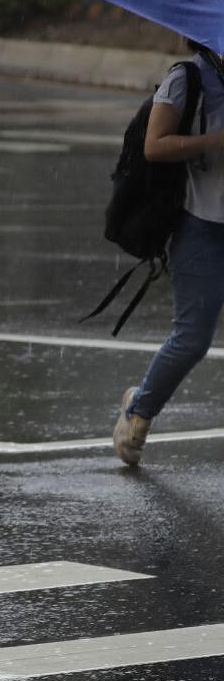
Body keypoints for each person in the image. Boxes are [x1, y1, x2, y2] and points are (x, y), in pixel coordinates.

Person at [114, 43, 224, 465]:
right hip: (201, 226)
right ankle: (138, 412)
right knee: (193, 339)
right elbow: (153, 145)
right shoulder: (187, 79)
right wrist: (213, 141)